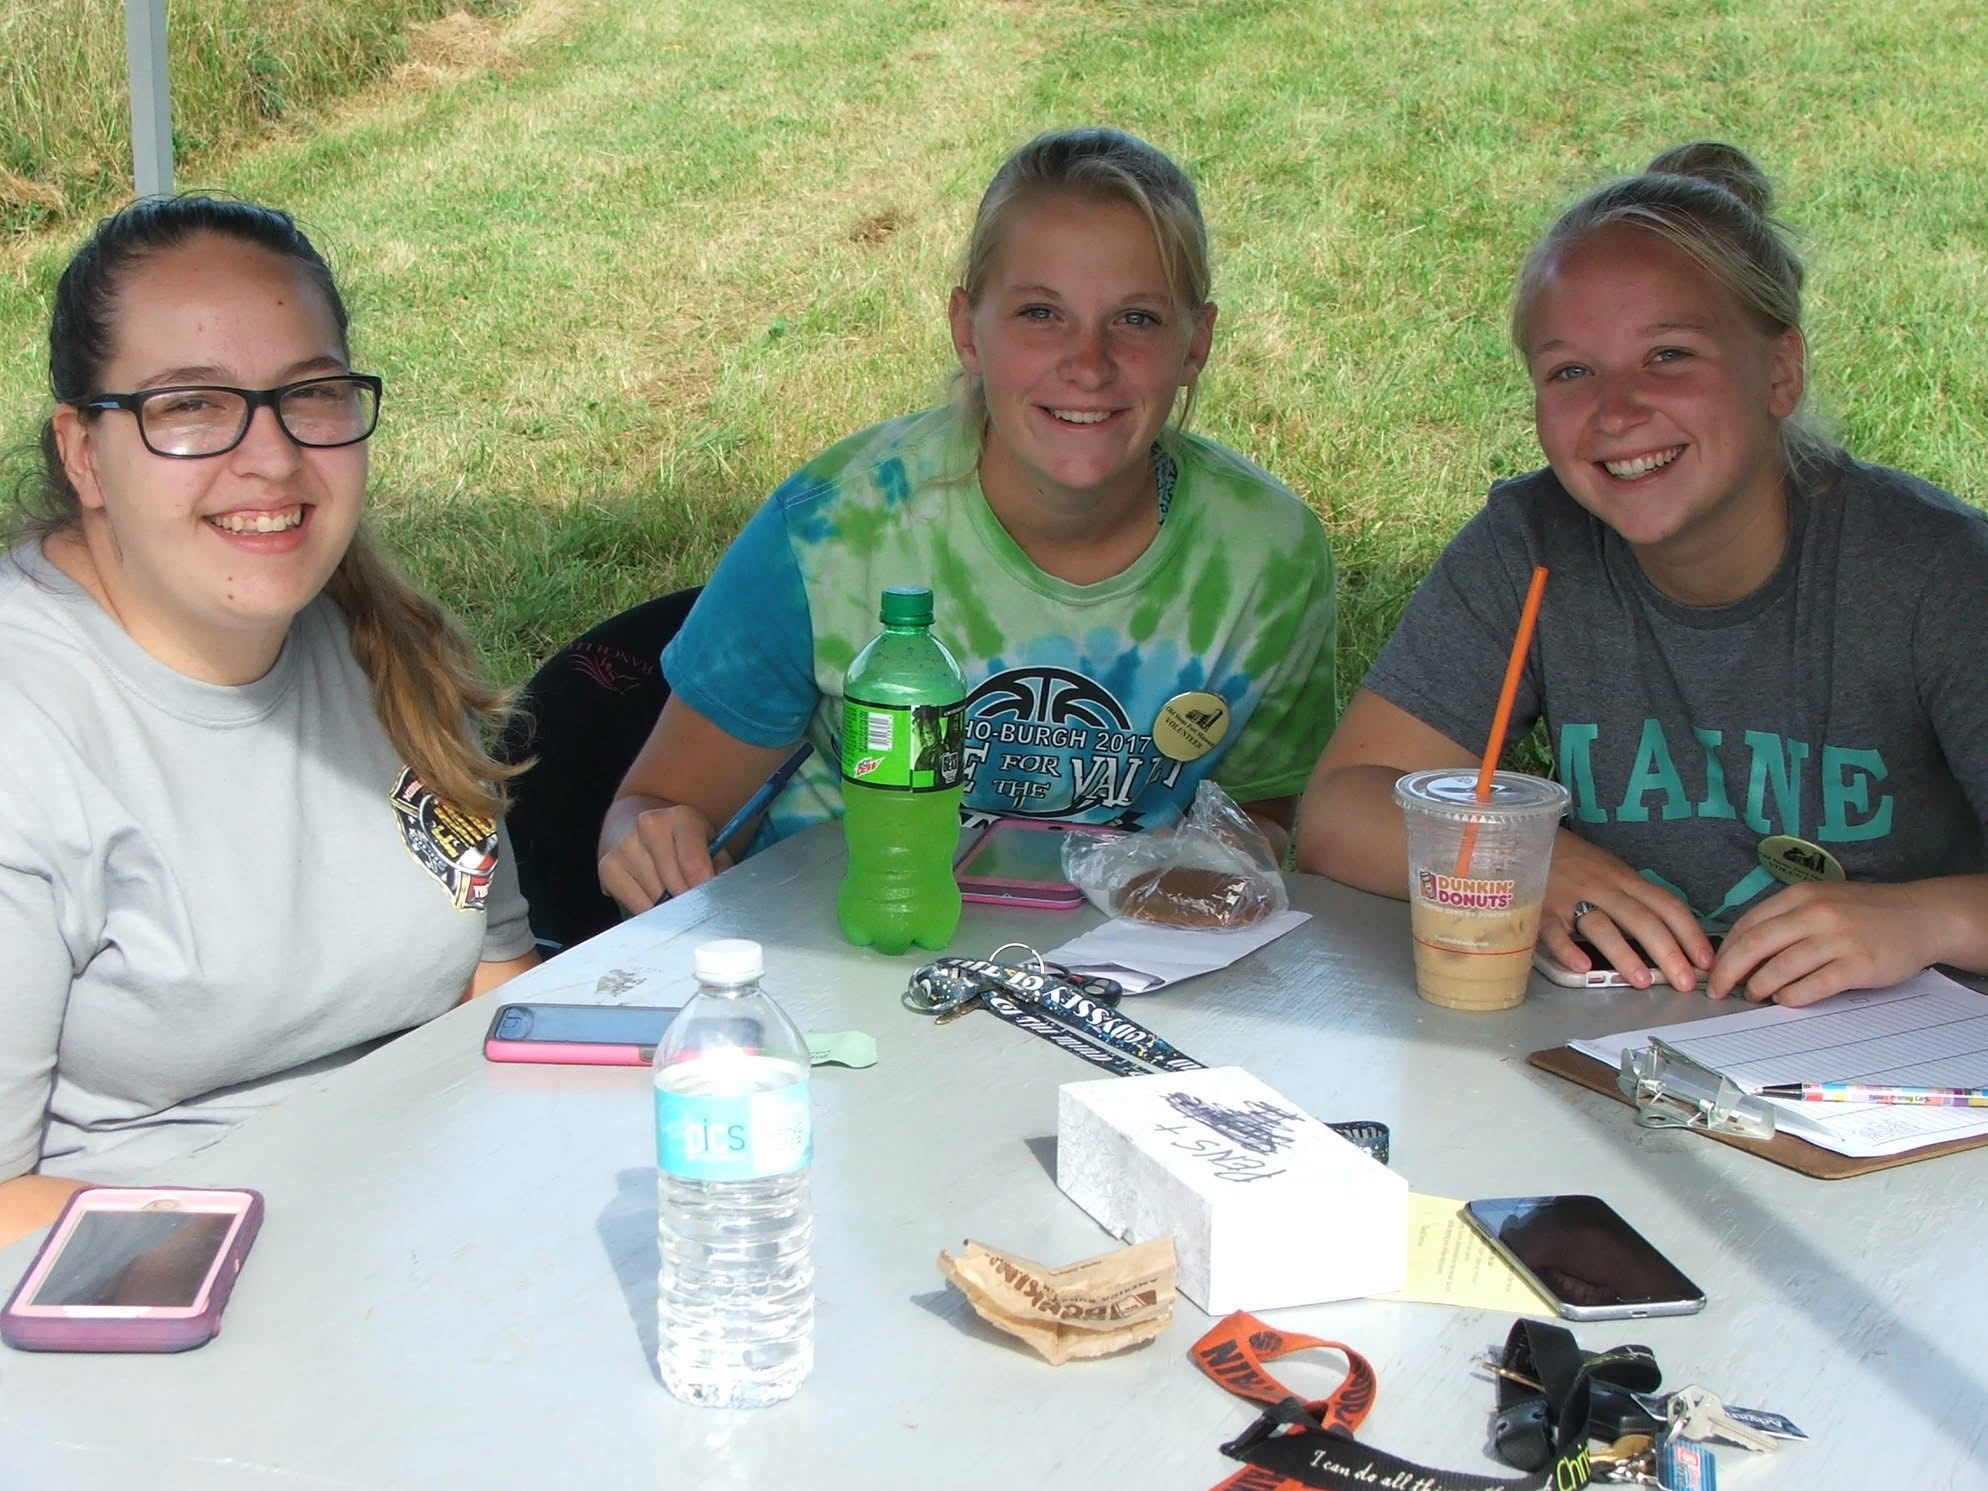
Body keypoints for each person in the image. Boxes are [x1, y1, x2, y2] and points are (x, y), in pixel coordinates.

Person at [1299, 143, 1988, 1009]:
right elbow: (1338, 809)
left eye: (1669, 355)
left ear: (1781, 372)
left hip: (1906, 1063)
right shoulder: (1534, 543)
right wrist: (1529, 859)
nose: (1617, 409)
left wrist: (1926, 920)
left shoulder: (1933, 571)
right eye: (1570, 372)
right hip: (1615, 1043)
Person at [599, 127, 1337, 909]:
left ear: (1197, 344)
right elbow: (655, 808)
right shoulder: (830, 532)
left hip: (1116, 968)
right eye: (1041, 312)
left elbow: (1259, 819)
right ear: (966, 330)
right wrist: (652, 844)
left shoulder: (1269, 558)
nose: (1089, 364)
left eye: (1137, 319)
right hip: (842, 949)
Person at [0, 197, 537, 1247]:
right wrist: (321, 1239)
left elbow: (496, 985)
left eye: (311, 395)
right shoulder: (27, 733)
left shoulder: (389, 647)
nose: (273, 459)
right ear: (83, 453)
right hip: (148, 1289)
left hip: (438, 1229)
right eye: (191, 406)